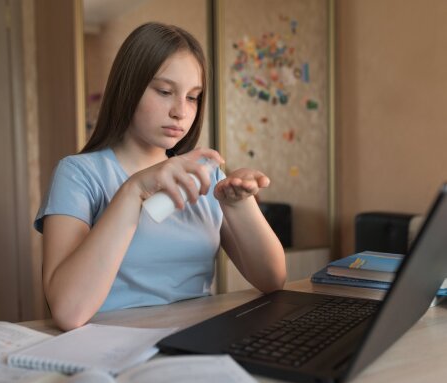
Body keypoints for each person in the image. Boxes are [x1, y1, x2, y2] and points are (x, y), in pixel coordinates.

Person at [35, 22, 286, 331]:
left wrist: (239, 205)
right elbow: (67, 311)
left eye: (193, 97)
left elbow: (273, 280)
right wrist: (133, 190)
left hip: (195, 344)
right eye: (166, 92)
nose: (181, 111)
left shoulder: (203, 175)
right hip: (110, 350)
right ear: (129, 87)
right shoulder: (78, 174)